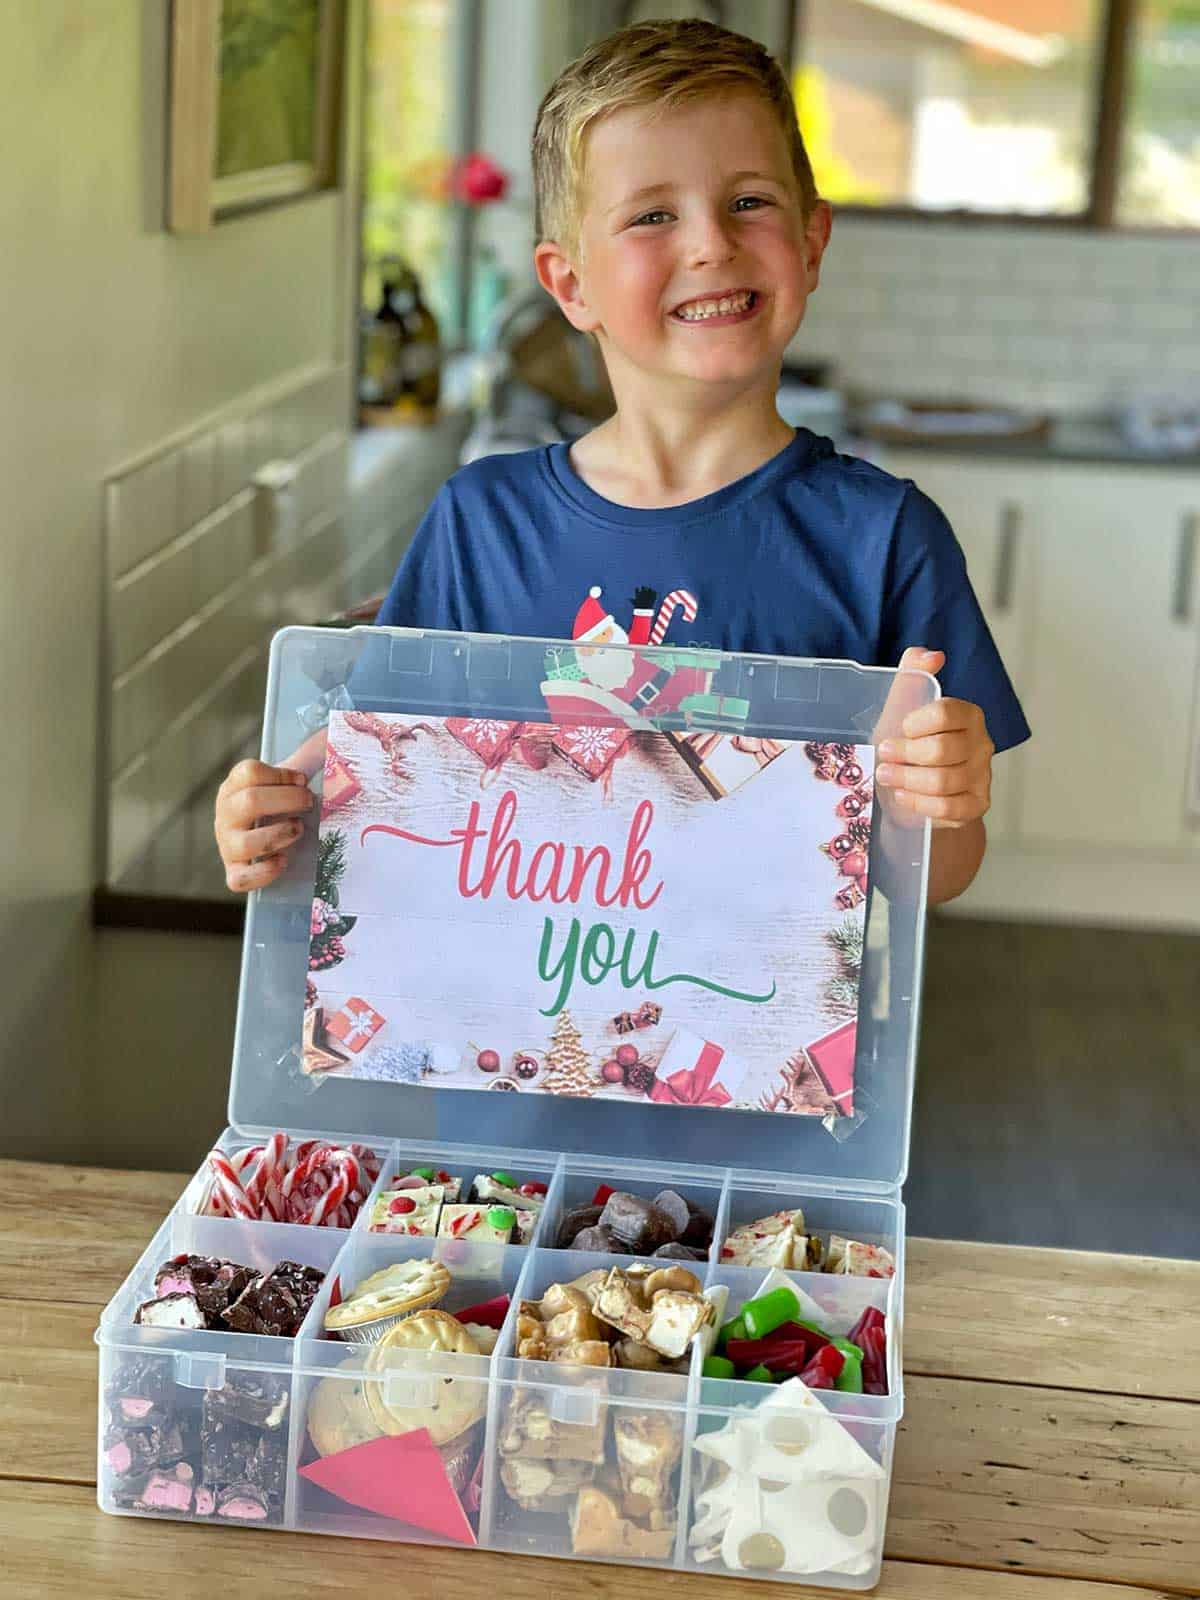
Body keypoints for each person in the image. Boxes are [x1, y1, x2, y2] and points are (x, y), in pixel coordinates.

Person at [215, 17, 1029, 903]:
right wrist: (270, 814)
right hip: (517, 1033)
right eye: (651, 215)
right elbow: (372, 790)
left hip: (775, 1028)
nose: (710, 242)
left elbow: (937, 876)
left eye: (750, 201)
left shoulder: (884, 538)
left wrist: (940, 803)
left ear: (811, 241)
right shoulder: (483, 524)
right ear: (571, 285)